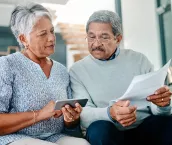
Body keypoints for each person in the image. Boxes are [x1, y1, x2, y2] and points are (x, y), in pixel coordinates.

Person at [69, 10, 172, 145]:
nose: (96, 43)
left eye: (104, 37)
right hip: (108, 130)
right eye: (91, 37)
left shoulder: (139, 60)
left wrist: (163, 105)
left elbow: (154, 107)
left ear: (118, 39)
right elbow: (83, 113)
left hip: (142, 126)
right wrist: (110, 113)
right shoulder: (77, 71)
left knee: (168, 123)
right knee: (99, 130)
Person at [0, 3, 90, 145]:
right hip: (15, 137)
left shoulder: (61, 70)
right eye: (43, 34)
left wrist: (70, 120)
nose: (51, 38)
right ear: (24, 39)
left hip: (54, 136)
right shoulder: (7, 65)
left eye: (52, 31)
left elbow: (70, 128)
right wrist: (40, 114)